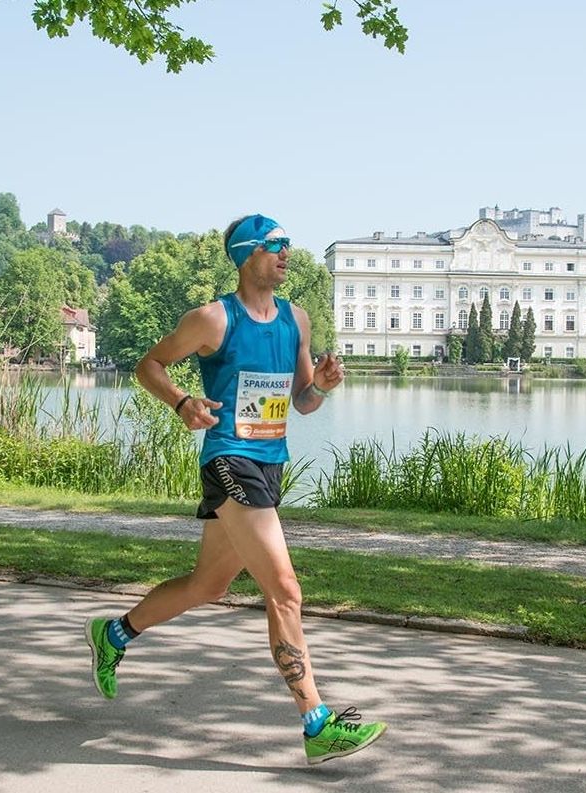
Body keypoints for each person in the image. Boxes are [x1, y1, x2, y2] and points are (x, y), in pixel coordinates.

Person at [83, 213, 387, 765]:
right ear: (248, 255)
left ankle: (116, 634)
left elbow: (302, 401)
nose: (287, 252)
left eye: (288, 244)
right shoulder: (213, 319)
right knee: (285, 591)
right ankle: (316, 722)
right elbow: (147, 364)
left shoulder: (297, 319)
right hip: (228, 460)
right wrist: (181, 402)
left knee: (208, 586)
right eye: (276, 245)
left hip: (271, 464)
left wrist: (320, 385)